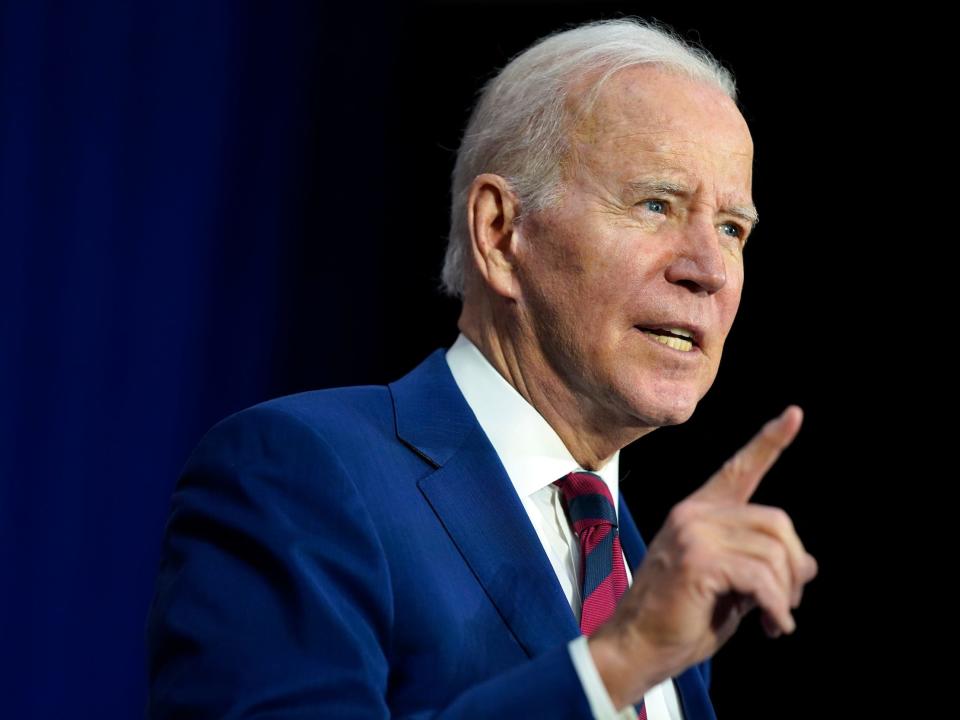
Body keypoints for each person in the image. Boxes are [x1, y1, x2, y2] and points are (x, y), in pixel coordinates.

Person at [146, 18, 818, 719]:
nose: (708, 271)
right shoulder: (299, 474)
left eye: (732, 229)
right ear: (500, 232)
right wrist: (616, 663)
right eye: (656, 205)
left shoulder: (642, 574)